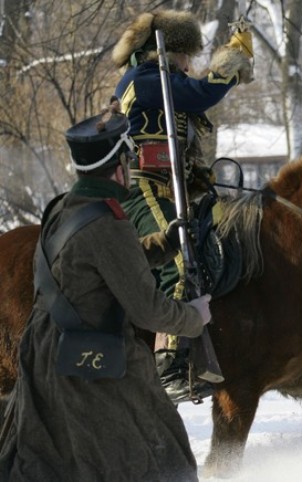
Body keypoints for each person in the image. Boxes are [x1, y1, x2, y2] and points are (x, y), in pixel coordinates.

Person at [0, 107, 212, 480]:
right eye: (128, 160)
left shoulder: (63, 208)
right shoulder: (107, 223)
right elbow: (148, 310)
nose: (130, 167)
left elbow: (110, 263)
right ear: (118, 168)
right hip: (90, 361)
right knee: (163, 457)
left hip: (45, 355)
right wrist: (194, 317)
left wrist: (167, 242)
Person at [111, 9, 253, 401]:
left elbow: (181, 132)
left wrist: (195, 176)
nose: (189, 64)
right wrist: (231, 63)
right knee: (177, 259)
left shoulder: (158, 80)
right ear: (168, 53)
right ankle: (170, 363)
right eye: (185, 56)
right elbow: (200, 93)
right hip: (144, 189)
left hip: (168, 187)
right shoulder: (146, 79)